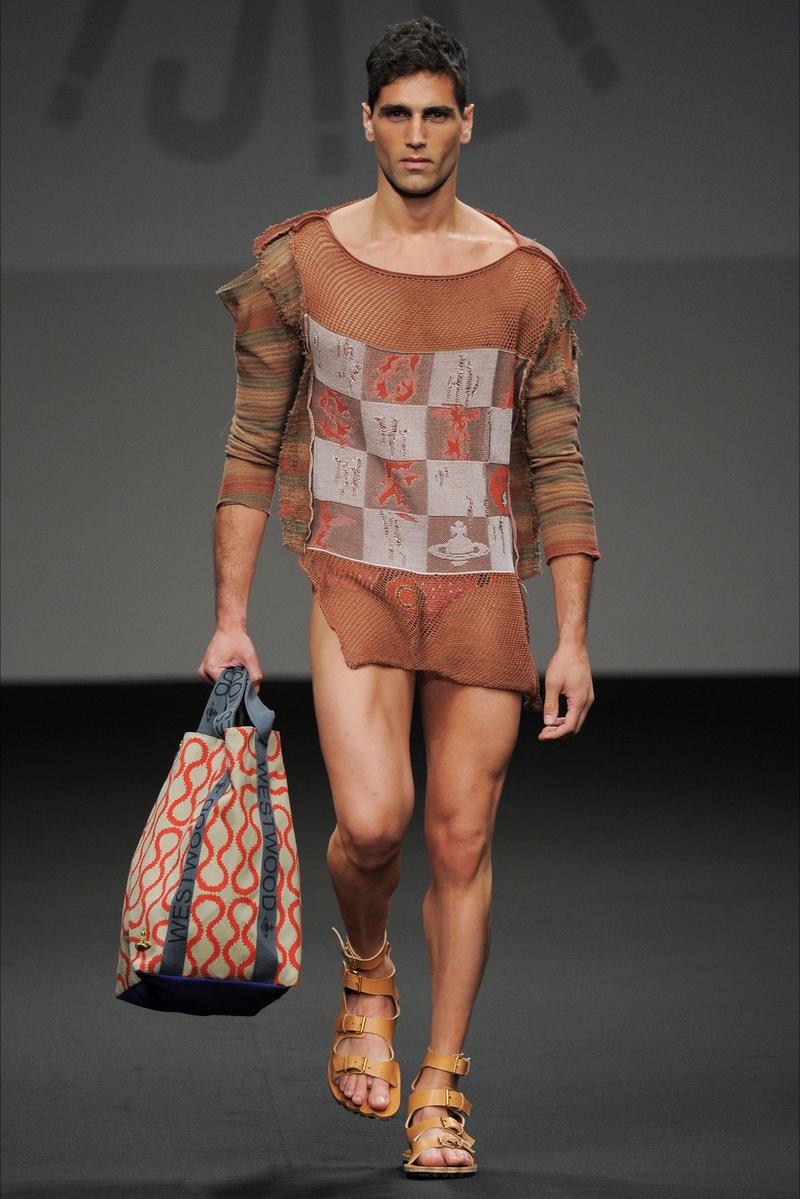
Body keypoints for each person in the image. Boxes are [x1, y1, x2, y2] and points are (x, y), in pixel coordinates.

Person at [198, 14, 600, 1180]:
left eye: (436, 115)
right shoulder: (302, 263)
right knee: (372, 821)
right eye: (397, 114)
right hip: (356, 572)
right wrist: (230, 616)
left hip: (477, 580)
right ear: (365, 123)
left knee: (459, 838)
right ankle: (366, 966)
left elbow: (557, 462)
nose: (416, 135)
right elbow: (250, 446)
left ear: (465, 126)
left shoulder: (524, 278)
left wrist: (573, 634)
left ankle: (439, 1082)